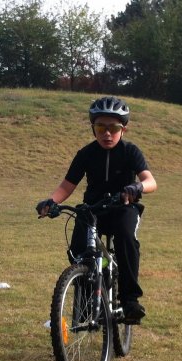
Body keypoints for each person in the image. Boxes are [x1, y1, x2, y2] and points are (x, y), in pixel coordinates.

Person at [36, 96, 157, 324]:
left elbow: (150, 181)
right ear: (93, 128)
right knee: (79, 251)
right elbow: (66, 186)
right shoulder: (86, 154)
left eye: (113, 127)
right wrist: (50, 202)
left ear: (124, 129)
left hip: (123, 208)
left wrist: (136, 187)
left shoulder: (131, 152)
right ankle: (83, 307)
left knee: (126, 238)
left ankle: (130, 301)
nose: (107, 133)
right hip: (93, 210)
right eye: (101, 127)